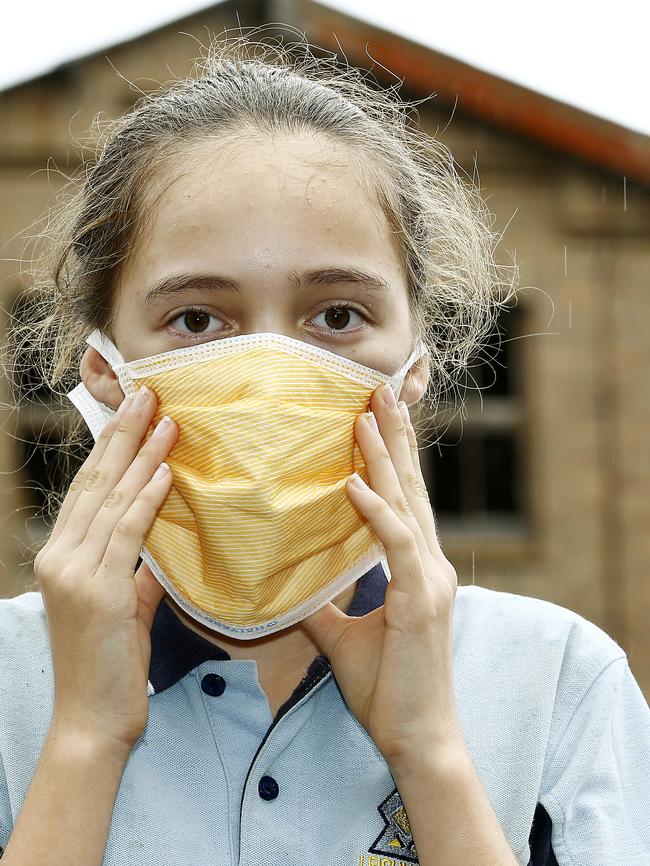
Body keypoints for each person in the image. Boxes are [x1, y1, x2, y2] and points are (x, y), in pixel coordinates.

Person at [1, 30, 649, 866]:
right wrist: (85, 738)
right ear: (108, 373)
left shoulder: (558, 680)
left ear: (415, 368)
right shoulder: (14, 677)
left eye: (337, 316)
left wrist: (431, 752)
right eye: (198, 320)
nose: (271, 374)